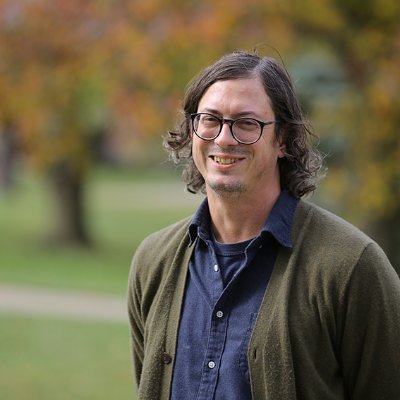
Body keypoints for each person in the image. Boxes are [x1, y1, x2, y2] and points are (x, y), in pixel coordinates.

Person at [127, 50, 400, 400]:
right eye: (210, 119)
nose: (224, 138)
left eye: (246, 123)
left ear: (283, 140)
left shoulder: (350, 267)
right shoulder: (154, 262)